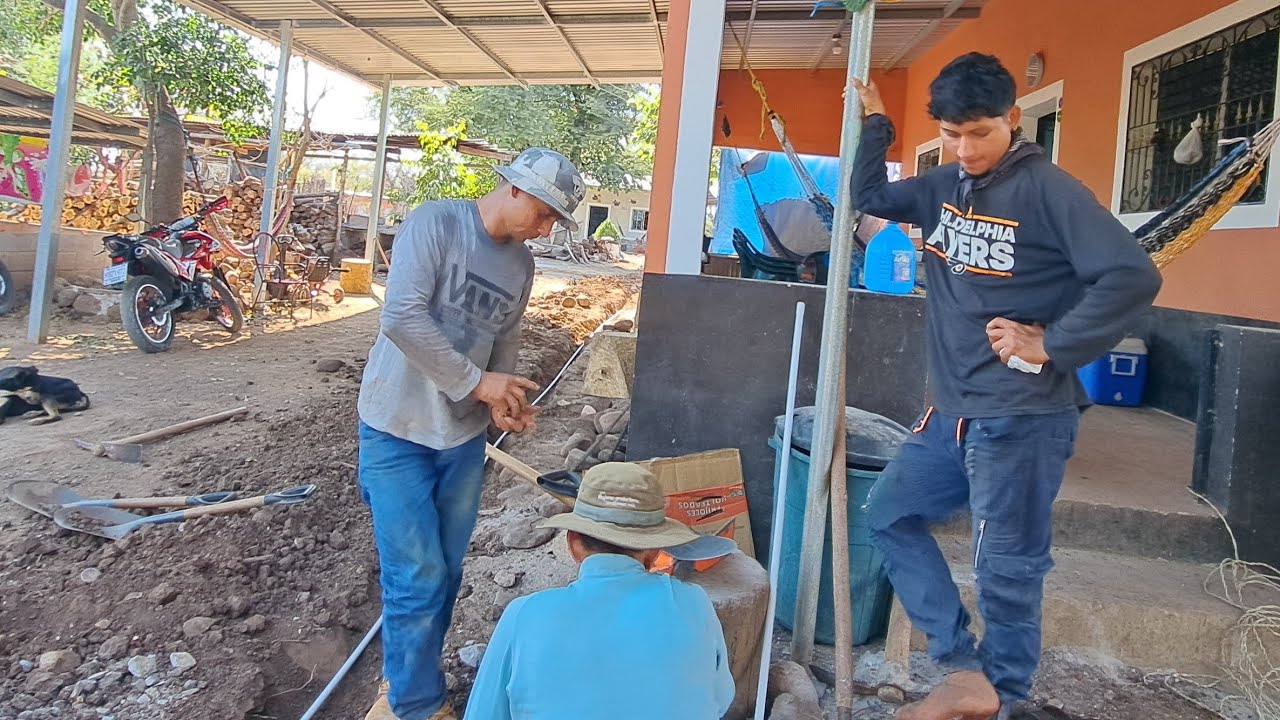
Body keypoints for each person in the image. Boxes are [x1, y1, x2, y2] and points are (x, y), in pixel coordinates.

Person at [849, 53, 1162, 719]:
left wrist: (1052, 344)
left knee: (1008, 572)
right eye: (953, 135)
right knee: (888, 514)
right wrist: (877, 125)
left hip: (1022, 418)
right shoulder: (942, 185)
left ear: (1013, 119)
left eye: (980, 133)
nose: (966, 149)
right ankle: (963, 666)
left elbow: (1132, 275)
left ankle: (1008, 698)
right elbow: (870, 199)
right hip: (951, 416)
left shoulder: (1049, 191)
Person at [358, 147, 586, 720]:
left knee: (447, 572)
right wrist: (475, 382)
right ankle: (415, 704)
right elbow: (401, 317)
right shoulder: (436, 223)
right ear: (513, 189)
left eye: (555, 221)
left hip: (459, 439)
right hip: (397, 428)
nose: (545, 228)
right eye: (543, 213)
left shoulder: (522, 266)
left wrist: (501, 405)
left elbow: (504, 345)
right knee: (416, 575)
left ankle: (414, 681)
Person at [464, 463, 736, 720]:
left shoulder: (524, 616)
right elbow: (720, 700)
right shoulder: (695, 604)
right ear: (654, 553)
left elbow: (483, 713)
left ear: (573, 543)